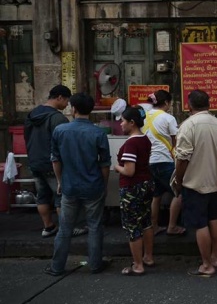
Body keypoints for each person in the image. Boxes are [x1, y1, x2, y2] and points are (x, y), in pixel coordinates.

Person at [44, 93, 111, 276]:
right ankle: (95, 264)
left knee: (65, 228)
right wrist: (104, 185)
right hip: (93, 185)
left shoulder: (61, 131)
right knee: (95, 226)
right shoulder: (98, 132)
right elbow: (105, 164)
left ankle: (57, 266)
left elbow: (55, 160)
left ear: (73, 109)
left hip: (70, 185)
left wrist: (59, 181)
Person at [172, 90, 217, 277]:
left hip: (195, 183)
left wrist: (179, 181)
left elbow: (182, 159)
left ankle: (206, 265)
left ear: (189, 106)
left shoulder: (189, 125)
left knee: (200, 223)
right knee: (214, 220)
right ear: (208, 105)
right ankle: (216, 257)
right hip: (215, 181)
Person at [24, 85, 86, 238]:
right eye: (66, 101)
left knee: (42, 196)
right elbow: (64, 143)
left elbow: (27, 138)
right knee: (61, 196)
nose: (67, 105)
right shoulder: (57, 118)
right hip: (52, 163)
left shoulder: (32, 114)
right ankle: (67, 229)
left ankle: (48, 227)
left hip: (35, 162)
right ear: (59, 97)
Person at [115, 106, 154, 276]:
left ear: (132, 122)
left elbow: (129, 171)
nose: (120, 123)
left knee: (132, 226)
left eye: (123, 120)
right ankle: (148, 257)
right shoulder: (145, 139)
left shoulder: (131, 143)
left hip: (132, 187)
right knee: (145, 222)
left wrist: (117, 167)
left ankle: (137, 265)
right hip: (146, 184)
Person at [144, 90, 185, 236]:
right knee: (178, 193)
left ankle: (154, 226)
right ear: (167, 103)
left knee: (156, 195)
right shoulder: (168, 118)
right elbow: (176, 140)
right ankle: (172, 226)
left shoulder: (144, 116)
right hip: (164, 160)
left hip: (149, 162)